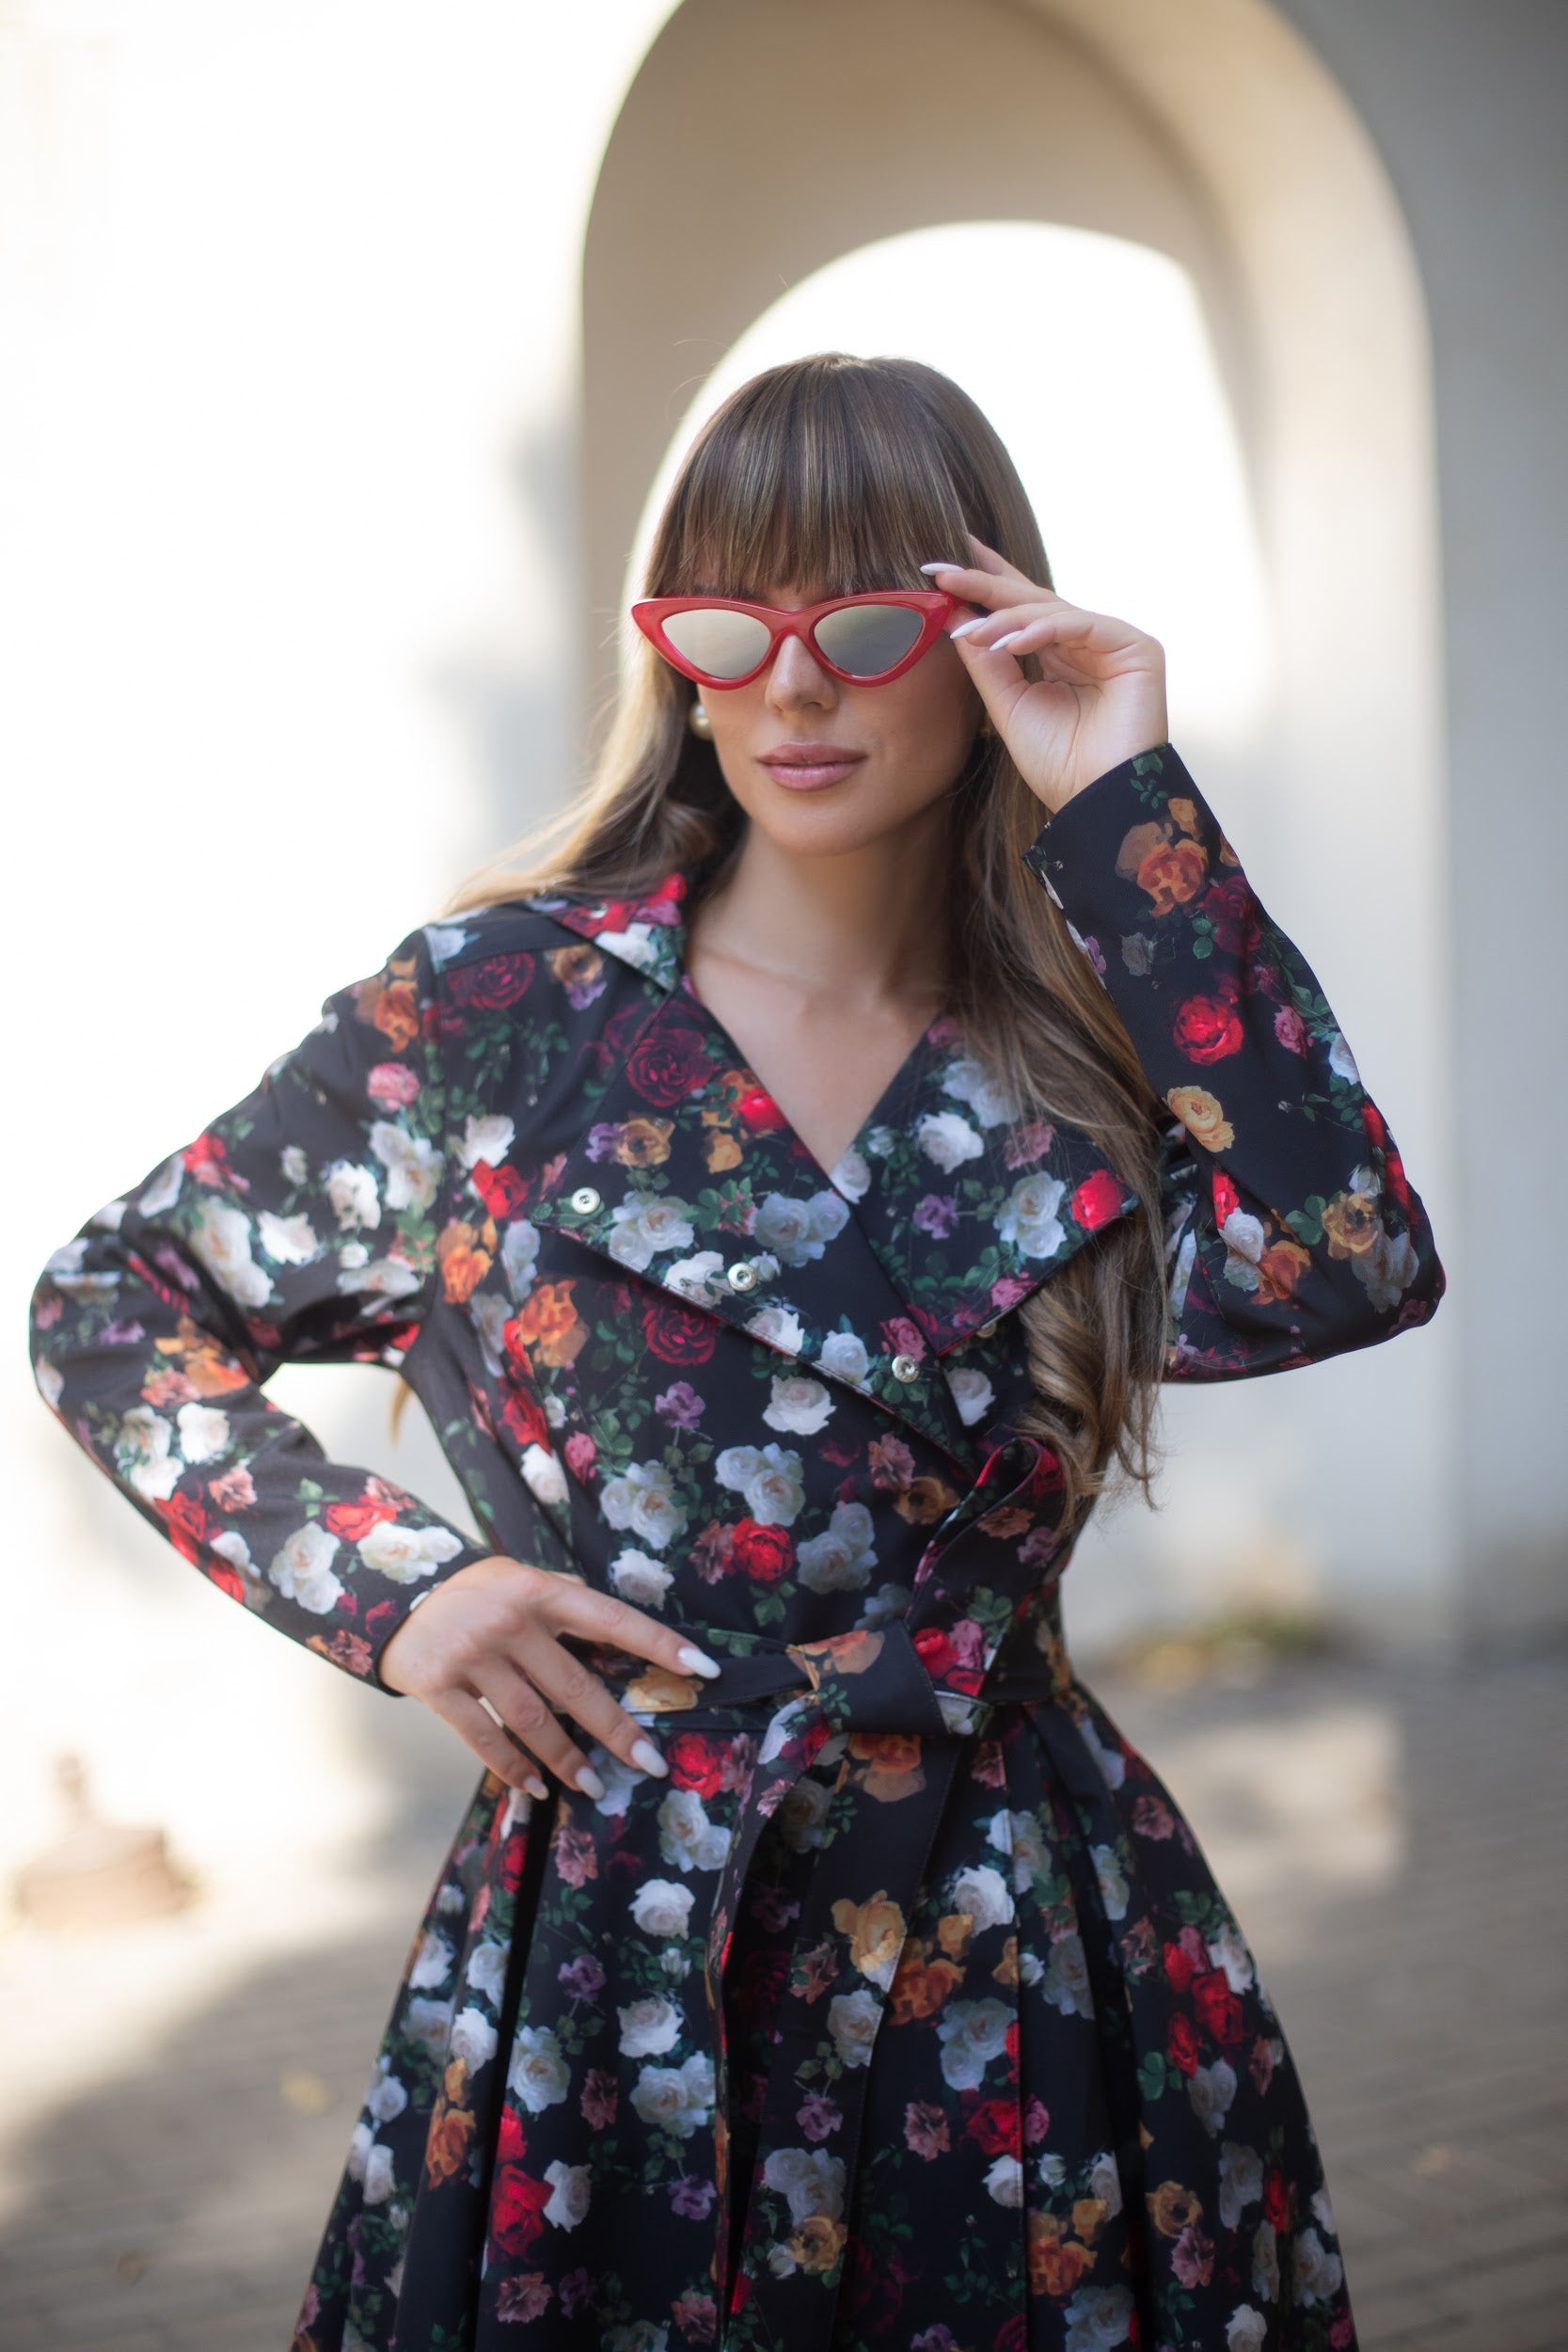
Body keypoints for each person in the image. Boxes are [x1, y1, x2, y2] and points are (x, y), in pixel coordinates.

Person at [29, 352, 1443, 2352]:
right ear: (672, 654)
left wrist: (1134, 812)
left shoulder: (1083, 1046)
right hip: (615, 1938)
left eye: (865, 626)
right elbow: (115, 1307)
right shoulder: (502, 1013)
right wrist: (400, 1593)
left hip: (1018, 1927)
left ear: (984, 643)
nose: (792, 687)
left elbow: (1352, 1256)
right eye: (726, 622)